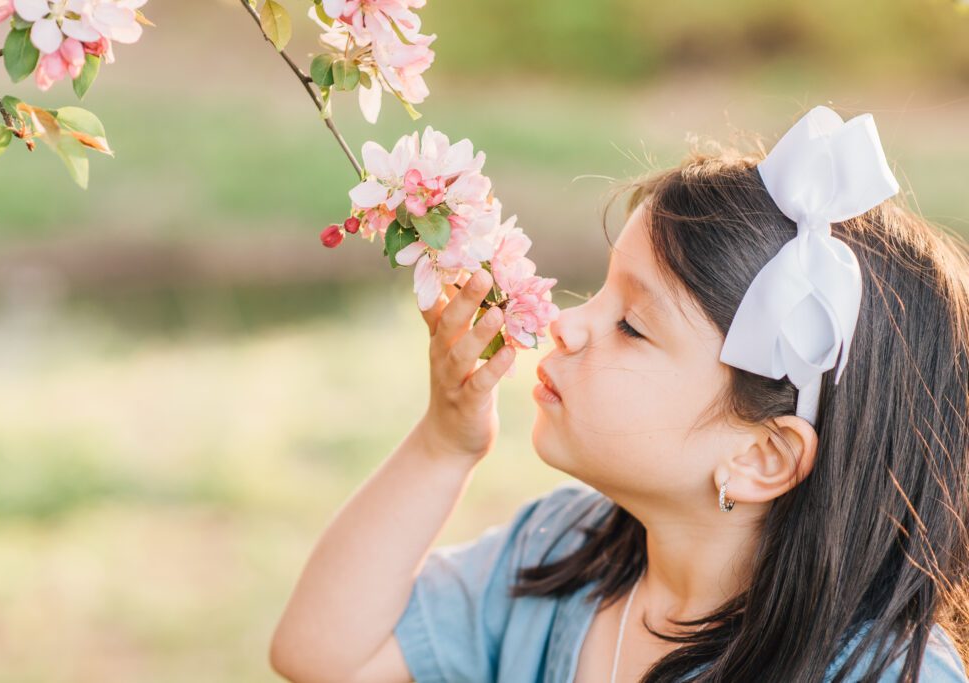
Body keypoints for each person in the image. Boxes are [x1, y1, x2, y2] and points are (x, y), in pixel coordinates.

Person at [268, 106, 969, 682]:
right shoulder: (555, 558)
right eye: (600, 289)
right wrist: (444, 443)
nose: (566, 324)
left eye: (630, 324)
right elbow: (323, 655)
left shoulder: (886, 675)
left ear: (763, 455)